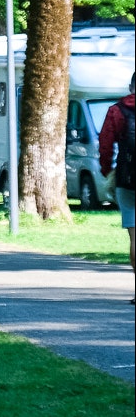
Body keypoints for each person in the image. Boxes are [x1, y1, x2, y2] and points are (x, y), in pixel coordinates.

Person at [98, 73, 136, 305]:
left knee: (134, 237)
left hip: (127, 178)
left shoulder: (116, 110)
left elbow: (105, 144)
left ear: (131, 86)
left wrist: (107, 170)